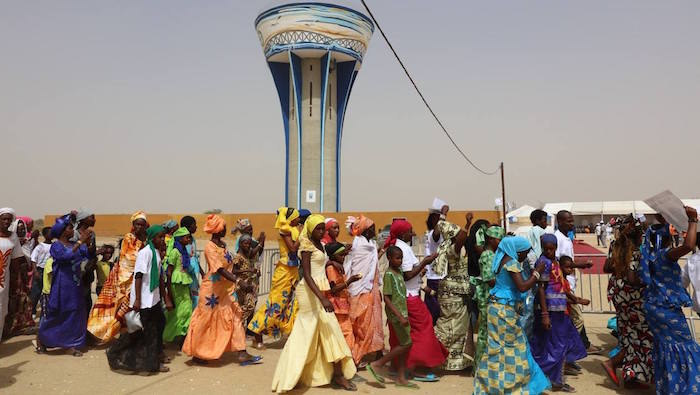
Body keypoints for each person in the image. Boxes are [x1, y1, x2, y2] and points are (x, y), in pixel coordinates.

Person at [271, 214, 356, 392]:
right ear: (309, 229)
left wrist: (333, 261)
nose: (321, 231)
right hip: (310, 293)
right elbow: (308, 275)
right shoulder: (307, 246)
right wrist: (322, 298)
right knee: (306, 334)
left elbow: (322, 263)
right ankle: (289, 377)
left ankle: (335, 374)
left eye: (322, 228)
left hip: (320, 290)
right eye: (317, 228)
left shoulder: (321, 245)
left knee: (328, 332)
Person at [473, 236, 550, 395]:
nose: (525, 256)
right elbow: (522, 287)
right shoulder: (512, 263)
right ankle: (513, 386)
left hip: (496, 308)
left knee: (497, 349)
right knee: (515, 348)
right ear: (518, 251)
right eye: (524, 253)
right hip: (503, 311)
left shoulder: (502, 260)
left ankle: (491, 386)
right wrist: (536, 273)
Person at [183, 215, 261, 365]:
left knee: (236, 315)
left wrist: (245, 274)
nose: (226, 229)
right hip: (211, 292)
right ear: (218, 229)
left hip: (226, 289)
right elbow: (218, 269)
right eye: (224, 227)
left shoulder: (223, 246)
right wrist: (238, 281)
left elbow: (230, 268)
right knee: (206, 320)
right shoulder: (209, 247)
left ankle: (242, 352)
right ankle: (198, 353)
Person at [640, 207, 700, 394]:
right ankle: (688, 388)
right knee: (684, 345)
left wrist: (665, 216)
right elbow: (689, 246)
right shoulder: (665, 256)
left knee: (666, 347)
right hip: (666, 310)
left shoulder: (648, 256)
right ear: (665, 239)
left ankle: (669, 386)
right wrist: (693, 219)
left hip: (653, 306)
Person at [386, 219, 446, 378]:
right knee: (422, 329)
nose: (412, 233)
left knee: (405, 333)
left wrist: (419, 270)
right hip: (409, 296)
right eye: (410, 231)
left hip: (408, 293)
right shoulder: (402, 249)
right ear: (402, 233)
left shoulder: (402, 247)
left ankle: (399, 364)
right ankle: (418, 367)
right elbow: (406, 275)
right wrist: (424, 262)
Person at [107, 225, 171, 374]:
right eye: (160, 237)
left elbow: (160, 277)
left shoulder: (155, 253)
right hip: (144, 300)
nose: (163, 240)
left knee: (159, 325)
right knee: (148, 332)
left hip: (153, 300)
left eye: (163, 237)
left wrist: (165, 297)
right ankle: (149, 362)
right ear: (152, 238)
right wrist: (137, 300)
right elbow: (139, 276)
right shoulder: (145, 253)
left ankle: (155, 357)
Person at [601, 215, 652, 389]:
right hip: (633, 298)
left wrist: (619, 265)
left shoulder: (615, 246)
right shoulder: (636, 251)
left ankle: (631, 377)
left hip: (618, 294)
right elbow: (632, 278)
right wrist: (647, 282)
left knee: (629, 335)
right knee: (644, 337)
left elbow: (606, 267)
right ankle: (613, 363)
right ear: (638, 235)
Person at [530, 235, 587, 392]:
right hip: (550, 311)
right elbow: (541, 288)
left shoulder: (554, 261)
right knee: (556, 346)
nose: (549, 251)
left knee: (562, 343)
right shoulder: (544, 263)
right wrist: (545, 314)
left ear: (555, 247)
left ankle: (554, 378)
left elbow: (561, 285)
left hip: (560, 310)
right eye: (546, 248)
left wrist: (575, 299)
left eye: (551, 248)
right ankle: (554, 380)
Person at [88, 211, 148, 344]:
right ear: (133, 225)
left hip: (136, 279)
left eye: (142, 225)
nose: (140, 227)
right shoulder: (128, 238)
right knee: (113, 307)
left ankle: (126, 335)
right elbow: (129, 257)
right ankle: (95, 332)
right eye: (137, 224)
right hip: (122, 279)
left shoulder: (145, 239)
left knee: (127, 310)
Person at [38, 214, 91, 356]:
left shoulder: (74, 245)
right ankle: (43, 340)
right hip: (62, 285)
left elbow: (85, 255)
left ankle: (71, 344)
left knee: (75, 313)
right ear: (62, 231)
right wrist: (80, 242)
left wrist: (86, 242)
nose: (72, 230)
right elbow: (64, 257)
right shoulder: (56, 246)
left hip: (75, 285)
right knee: (58, 313)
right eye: (69, 227)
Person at [366, 246, 417, 389]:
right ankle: (378, 364)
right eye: (397, 258)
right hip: (397, 315)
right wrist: (399, 315)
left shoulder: (399, 272)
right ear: (389, 258)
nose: (400, 261)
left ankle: (400, 377)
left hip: (402, 313)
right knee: (407, 343)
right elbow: (387, 298)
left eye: (401, 258)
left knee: (404, 344)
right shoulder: (389, 275)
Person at [248, 207, 301, 341]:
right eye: (297, 217)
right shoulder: (285, 231)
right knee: (276, 303)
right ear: (291, 219)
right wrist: (303, 235)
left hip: (292, 271)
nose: (299, 220)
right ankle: (256, 330)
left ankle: (288, 331)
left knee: (291, 303)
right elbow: (293, 248)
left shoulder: (294, 231)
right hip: (284, 272)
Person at [554, 210, 602, 356]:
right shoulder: (558, 239)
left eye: (572, 220)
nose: (572, 224)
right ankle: (570, 348)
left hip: (569, 283)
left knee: (573, 317)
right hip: (563, 285)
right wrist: (580, 265)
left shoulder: (566, 237)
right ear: (560, 222)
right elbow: (560, 263)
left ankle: (582, 344)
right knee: (576, 318)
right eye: (569, 221)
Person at [432, 211, 473, 371]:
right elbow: (461, 239)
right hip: (454, 293)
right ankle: (435, 354)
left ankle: (454, 360)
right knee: (451, 327)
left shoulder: (448, 247)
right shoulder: (452, 249)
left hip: (454, 292)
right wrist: (467, 224)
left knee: (457, 327)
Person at [344, 214, 384, 366]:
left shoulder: (370, 243)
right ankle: (356, 356)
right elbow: (359, 267)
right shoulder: (359, 244)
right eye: (372, 228)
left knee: (373, 323)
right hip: (359, 289)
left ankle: (375, 352)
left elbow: (373, 265)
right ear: (366, 231)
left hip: (370, 288)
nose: (375, 231)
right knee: (360, 325)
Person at [473, 225, 505, 365]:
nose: (501, 242)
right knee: (485, 332)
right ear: (491, 239)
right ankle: (480, 365)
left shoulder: (494, 255)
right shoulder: (487, 255)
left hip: (491, 296)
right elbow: (490, 279)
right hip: (487, 297)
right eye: (500, 239)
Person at [324, 241, 361, 356]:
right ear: (334, 256)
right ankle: (349, 359)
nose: (344, 258)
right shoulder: (331, 268)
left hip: (342, 305)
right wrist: (349, 281)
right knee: (346, 333)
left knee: (346, 333)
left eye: (344, 255)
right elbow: (333, 289)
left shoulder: (337, 266)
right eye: (341, 255)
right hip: (336, 306)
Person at [4, 217, 35, 337]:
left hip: (25, 277)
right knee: (13, 302)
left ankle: (21, 325)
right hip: (14, 277)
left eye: (23, 229)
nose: (22, 232)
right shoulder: (11, 243)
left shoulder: (26, 242)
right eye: (19, 229)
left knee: (23, 301)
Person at [232, 233, 264, 349]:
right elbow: (234, 271)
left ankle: (238, 325)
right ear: (240, 244)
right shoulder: (238, 257)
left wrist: (260, 243)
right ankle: (237, 324)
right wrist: (248, 270)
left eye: (249, 244)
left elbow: (256, 251)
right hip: (242, 285)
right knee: (247, 306)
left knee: (248, 306)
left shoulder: (247, 255)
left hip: (249, 285)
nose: (248, 246)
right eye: (246, 243)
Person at [163, 227, 194, 345]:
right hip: (176, 284)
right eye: (186, 237)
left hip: (184, 284)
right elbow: (169, 272)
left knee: (187, 310)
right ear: (180, 239)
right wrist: (169, 292)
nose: (188, 239)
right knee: (177, 312)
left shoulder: (184, 251)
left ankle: (182, 336)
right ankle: (168, 335)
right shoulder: (175, 252)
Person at [0, 208, 27, 339]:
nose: (6, 221)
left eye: (9, 219)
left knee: (2, 310)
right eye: (3, 219)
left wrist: (16, 281)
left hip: (4, 281)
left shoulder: (13, 237)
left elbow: (16, 261)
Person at [72, 209, 97, 319]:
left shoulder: (92, 234)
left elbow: (92, 253)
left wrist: (93, 261)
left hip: (87, 271)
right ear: (83, 220)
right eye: (91, 217)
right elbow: (71, 251)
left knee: (87, 300)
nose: (94, 220)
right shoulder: (74, 234)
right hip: (76, 272)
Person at [424, 208, 445, 325]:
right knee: (435, 311)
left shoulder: (437, 234)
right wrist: (443, 215)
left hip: (437, 277)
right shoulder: (433, 234)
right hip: (436, 279)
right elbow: (436, 235)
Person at [179, 216, 203, 309]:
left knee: (195, 298)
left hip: (192, 274)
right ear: (188, 227)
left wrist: (202, 272)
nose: (196, 227)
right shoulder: (181, 240)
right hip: (184, 274)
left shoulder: (192, 239)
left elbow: (195, 257)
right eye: (194, 225)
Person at [29, 227, 53, 317]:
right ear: (45, 235)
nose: (51, 235)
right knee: (36, 292)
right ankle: (32, 311)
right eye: (49, 233)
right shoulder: (40, 246)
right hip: (40, 270)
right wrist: (35, 271)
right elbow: (33, 259)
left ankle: (45, 311)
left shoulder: (55, 246)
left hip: (50, 272)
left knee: (47, 292)